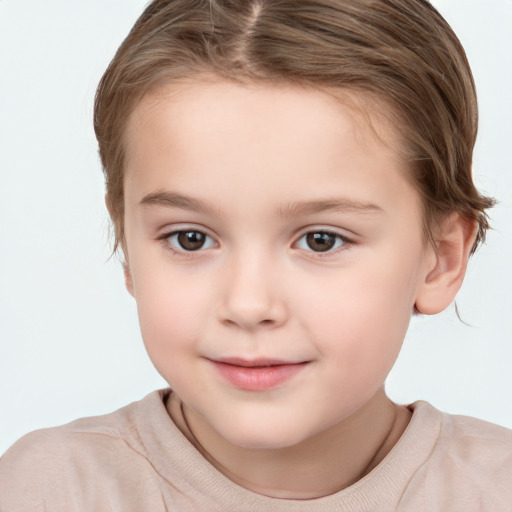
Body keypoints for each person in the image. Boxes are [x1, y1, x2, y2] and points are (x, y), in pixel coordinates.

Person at [1, 0, 511, 510]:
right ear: (128, 248)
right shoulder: (45, 491)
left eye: (321, 240)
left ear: (440, 259)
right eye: (190, 238)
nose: (248, 305)